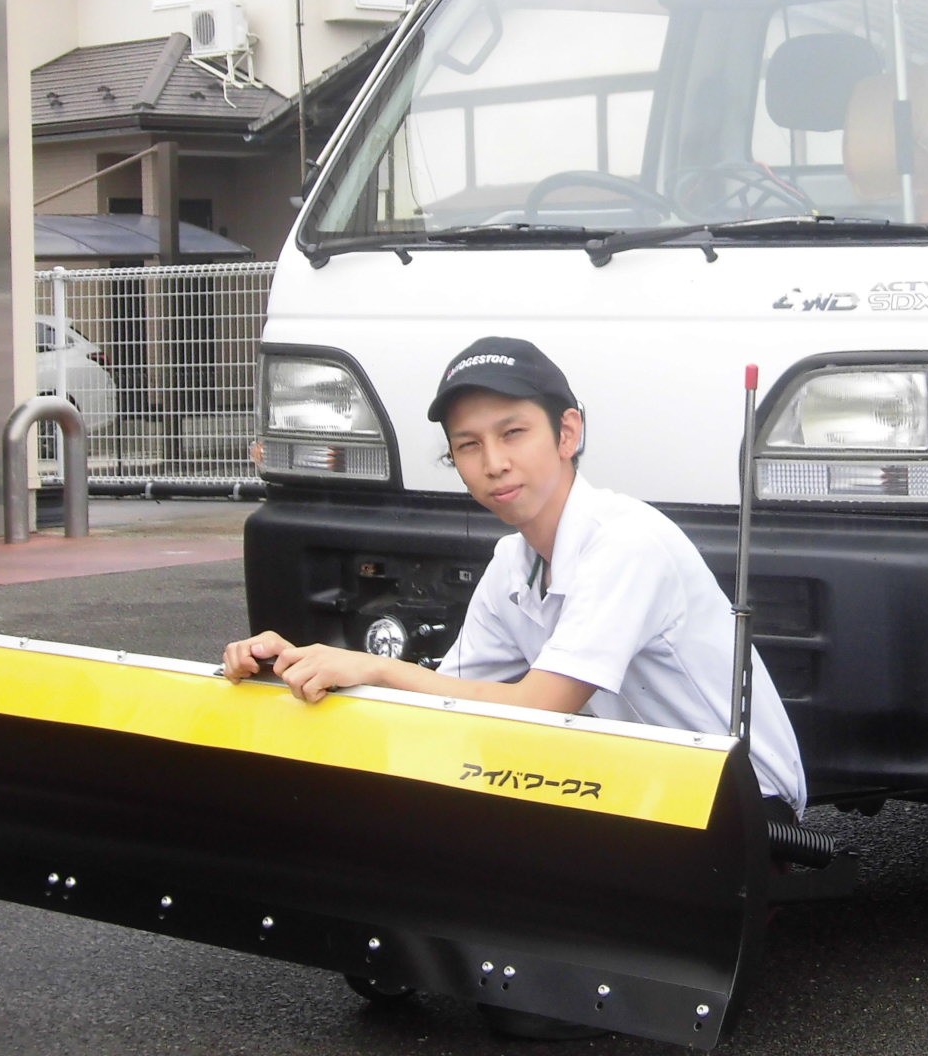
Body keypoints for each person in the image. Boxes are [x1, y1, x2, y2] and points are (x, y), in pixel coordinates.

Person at [222, 335, 809, 818]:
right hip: (637, 790)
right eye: (468, 446)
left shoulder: (627, 542)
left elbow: (539, 705)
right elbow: (448, 705)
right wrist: (297, 662)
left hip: (743, 809)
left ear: (568, 434)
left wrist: (373, 664)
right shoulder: (513, 562)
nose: (493, 462)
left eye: (513, 433)